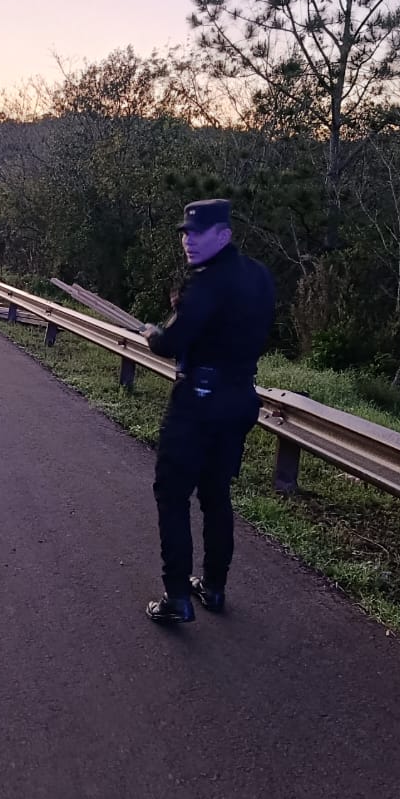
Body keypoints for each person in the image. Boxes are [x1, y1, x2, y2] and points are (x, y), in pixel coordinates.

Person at [139, 199, 275, 623]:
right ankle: (213, 588)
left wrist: (153, 333)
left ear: (224, 235)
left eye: (198, 233)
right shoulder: (259, 275)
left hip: (198, 402)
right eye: (185, 232)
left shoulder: (207, 282)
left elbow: (172, 343)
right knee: (216, 496)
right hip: (238, 399)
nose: (188, 241)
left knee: (172, 494)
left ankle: (176, 595)